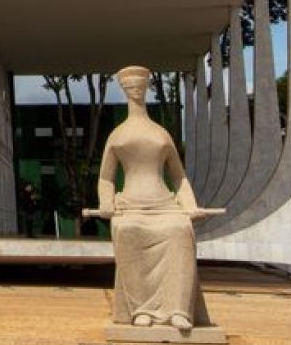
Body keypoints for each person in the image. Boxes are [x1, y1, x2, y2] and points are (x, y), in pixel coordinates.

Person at [89, 65, 216, 330]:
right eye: (131, 86)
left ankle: (178, 309)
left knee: (180, 231)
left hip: (165, 205)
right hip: (130, 207)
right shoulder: (118, 135)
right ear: (125, 90)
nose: (136, 90)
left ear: (146, 88)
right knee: (127, 231)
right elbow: (105, 179)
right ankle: (142, 309)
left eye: (140, 86)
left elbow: (179, 177)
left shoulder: (161, 133)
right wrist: (106, 203)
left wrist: (190, 206)